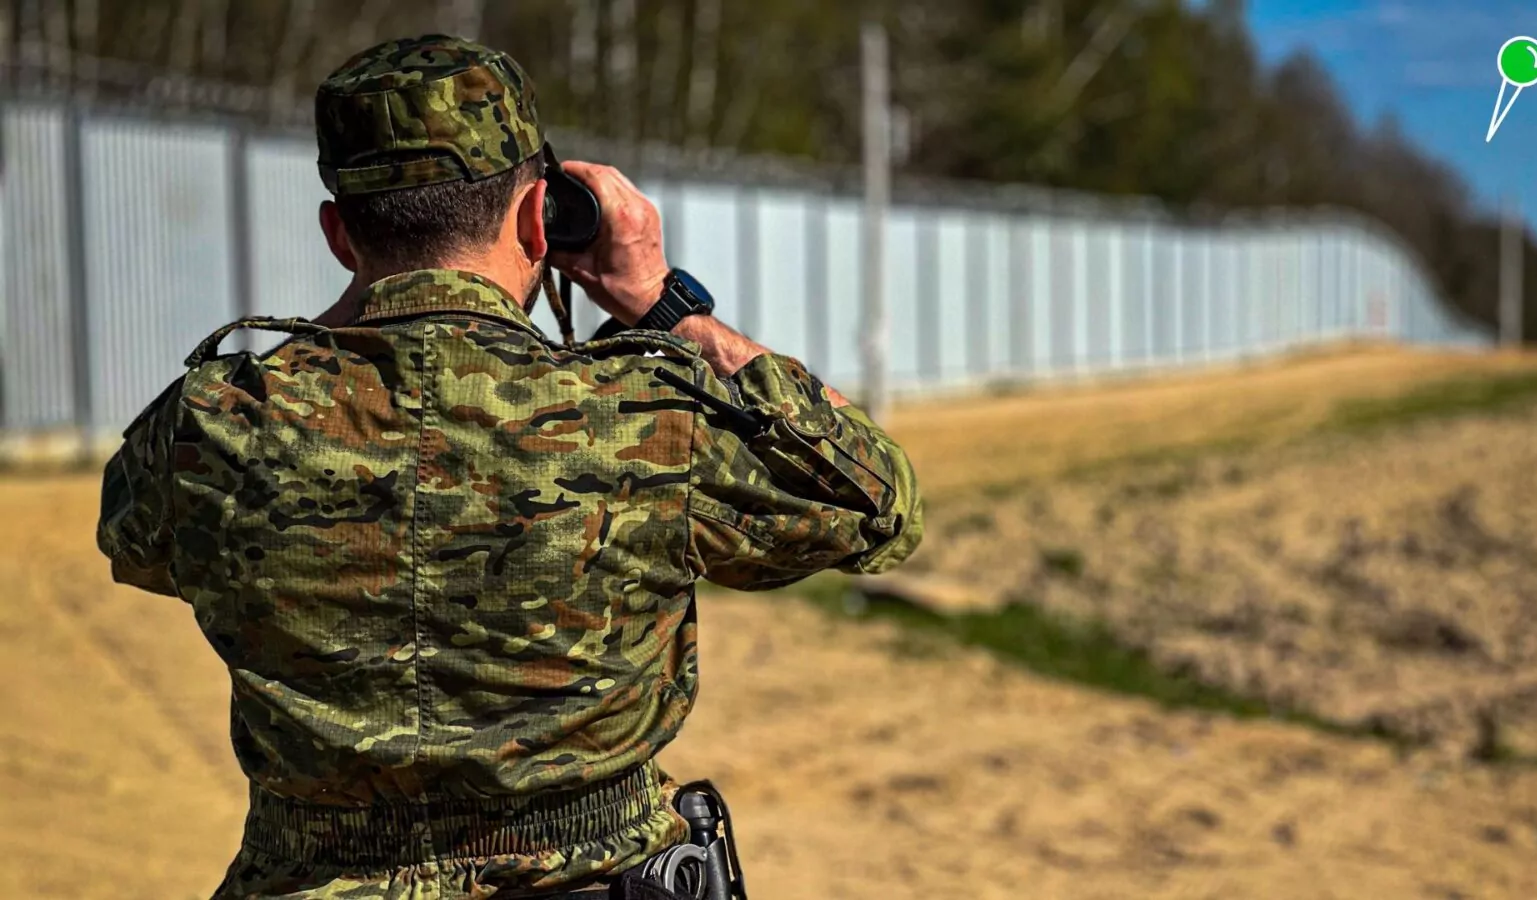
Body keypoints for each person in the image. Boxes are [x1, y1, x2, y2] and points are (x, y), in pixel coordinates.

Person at [95, 35, 923, 900]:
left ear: (339, 234)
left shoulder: (216, 422)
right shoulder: (643, 416)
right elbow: (877, 502)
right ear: (541, 219)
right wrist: (660, 299)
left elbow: (135, 541)